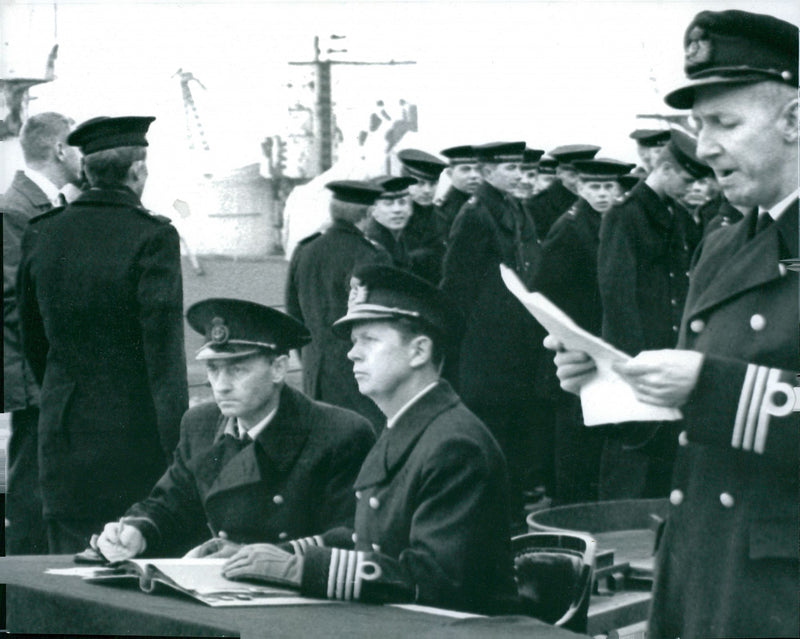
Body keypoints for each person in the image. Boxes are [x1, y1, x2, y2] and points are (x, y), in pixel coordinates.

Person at [547, 10, 798, 637]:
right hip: (700, 571)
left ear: (795, 119)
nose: (705, 146)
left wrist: (709, 387)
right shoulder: (722, 244)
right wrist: (612, 384)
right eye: (698, 125)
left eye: (725, 123)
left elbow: (715, 393)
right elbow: (692, 434)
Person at [221, 264, 516, 614]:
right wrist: (281, 553)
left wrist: (302, 569)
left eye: (369, 340)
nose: (352, 353)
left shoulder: (454, 445)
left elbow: (435, 578)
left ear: (419, 351)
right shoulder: (412, 427)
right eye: (354, 341)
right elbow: (372, 540)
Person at [17, 115, 189, 553]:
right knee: (136, 571)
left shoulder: (43, 232)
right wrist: (179, 449)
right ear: (137, 171)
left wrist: (62, 392)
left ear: (87, 170)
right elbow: (164, 358)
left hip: (63, 436)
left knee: (69, 573)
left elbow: (34, 341)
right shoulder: (153, 237)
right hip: (134, 441)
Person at [94, 299, 376, 560]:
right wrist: (138, 531)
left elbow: (351, 537)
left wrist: (260, 558)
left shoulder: (339, 433)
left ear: (278, 369)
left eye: (237, 370)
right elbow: (171, 503)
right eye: (214, 369)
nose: (222, 384)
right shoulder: (200, 425)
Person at [441, 141, 554, 525]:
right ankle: (491, 525)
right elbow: (456, 288)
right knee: (492, 440)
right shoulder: (475, 215)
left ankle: (513, 523)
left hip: (516, 349)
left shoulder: (514, 208)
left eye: (521, 169)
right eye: (510, 169)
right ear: (487, 172)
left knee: (516, 442)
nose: (520, 175)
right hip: (486, 353)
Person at [596, 130, 712, 500]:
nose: (691, 188)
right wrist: (631, 365)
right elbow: (618, 297)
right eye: (686, 178)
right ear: (664, 166)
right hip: (636, 359)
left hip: (666, 354)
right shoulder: (624, 215)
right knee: (629, 462)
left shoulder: (675, 215)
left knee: (662, 466)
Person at [2, 112, 82, 555]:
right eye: (78, 146)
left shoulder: (47, 205)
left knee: (45, 485)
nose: (83, 156)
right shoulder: (15, 210)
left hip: (47, 372)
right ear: (59, 150)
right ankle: (18, 596)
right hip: (36, 376)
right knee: (31, 491)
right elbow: (17, 304)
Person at [532, 158, 634, 504]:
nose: (603, 194)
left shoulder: (612, 223)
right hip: (575, 348)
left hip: (602, 345)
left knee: (597, 435)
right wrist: (567, 336)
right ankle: (571, 510)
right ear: (579, 188)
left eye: (609, 187)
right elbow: (544, 291)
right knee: (575, 441)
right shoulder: (570, 228)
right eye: (594, 187)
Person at [285, 180, 390, 430]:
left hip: (314, 373)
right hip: (357, 376)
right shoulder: (372, 255)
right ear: (367, 215)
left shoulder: (305, 249)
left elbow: (294, 313)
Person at [525, 144, 600, 240]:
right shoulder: (536, 206)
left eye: (586, 176)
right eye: (573, 175)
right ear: (559, 173)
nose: (580, 181)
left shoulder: (598, 200)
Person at [397, 148, 448, 283]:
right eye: (420, 183)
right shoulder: (392, 218)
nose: (427, 190)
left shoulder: (442, 219)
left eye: (433, 184)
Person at [364, 176, 415, 271]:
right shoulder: (372, 248)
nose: (397, 209)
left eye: (402, 202)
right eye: (388, 203)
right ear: (372, 210)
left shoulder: (397, 237)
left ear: (410, 208)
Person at [435, 144, 481, 241]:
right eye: (465, 169)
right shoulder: (442, 211)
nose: (474, 175)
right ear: (450, 173)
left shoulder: (485, 203)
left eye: (478, 169)